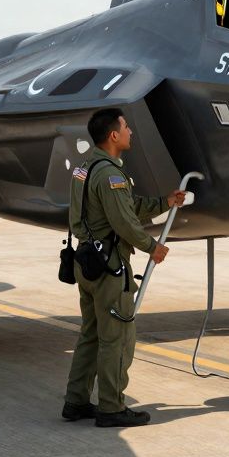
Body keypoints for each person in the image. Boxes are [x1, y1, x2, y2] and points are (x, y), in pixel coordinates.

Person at [62, 108, 187, 428]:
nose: (131, 131)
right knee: (116, 338)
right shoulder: (111, 175)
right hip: (109, 268)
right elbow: (123, 221)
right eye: (126, 127)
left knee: (91, 334)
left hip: (86, 262)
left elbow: (123, 208)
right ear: (113, 135)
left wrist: (164, 202)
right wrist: (152, 247)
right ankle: (111, 407)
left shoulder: (86, 167)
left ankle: (76, 401)